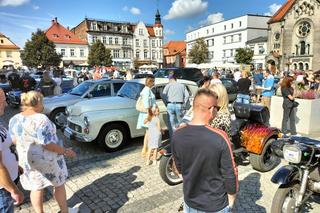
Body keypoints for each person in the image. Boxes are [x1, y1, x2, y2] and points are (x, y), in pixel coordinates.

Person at [8, 91, 77, 213]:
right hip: (49, 160)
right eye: (42, 101)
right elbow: (47, 144)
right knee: (58, 184)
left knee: (36, 188)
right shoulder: (41, 119)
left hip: (28, 161)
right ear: (38, 103)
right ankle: (65, 211)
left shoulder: (14, 119)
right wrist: (65, 151)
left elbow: (13, 141)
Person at [172, 88, 238, 213]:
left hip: (190, 202)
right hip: (215, 205)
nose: (217, 112)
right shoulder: (220, 137)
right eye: (217, 109)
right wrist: (231, 201)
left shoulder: (177, 134)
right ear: (212, 109)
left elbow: (178, 168)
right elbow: (230, 173)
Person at [0, 89, 24, 212]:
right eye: (3, 101)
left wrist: (15, 166)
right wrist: (13, 190)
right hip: (3, 189)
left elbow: (6, 146)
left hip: (9, 181)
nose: (6, 104)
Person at [136, 76, 156, 157]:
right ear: (150, 82)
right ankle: (146, 150)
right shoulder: (147, 90)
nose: (154, 83)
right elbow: (147, 104)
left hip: (146, 113)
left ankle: (146, 149)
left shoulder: (145, 89)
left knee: (147, 133)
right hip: (148, 113)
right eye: (153, 81)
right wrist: (150, 115)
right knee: (149, 133)